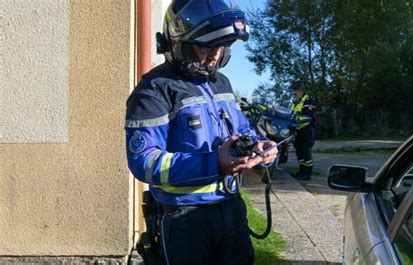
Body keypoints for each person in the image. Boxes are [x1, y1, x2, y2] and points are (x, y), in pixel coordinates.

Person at [125, 1, 278, 264]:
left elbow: (242, 130)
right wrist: (214, 162)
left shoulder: (222, 82)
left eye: (220, 47)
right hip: (184, 220)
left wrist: (258, 147)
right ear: (179, 43)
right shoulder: (154, 90)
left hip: (230, 209)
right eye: (206, 45)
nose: (214, 55)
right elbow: (144, 162)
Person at [289, 80, 317, 180]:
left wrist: (294, 120)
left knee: (305, 152)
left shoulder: (308, 100)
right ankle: (301, 172)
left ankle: (307, 173)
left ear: (300, 91)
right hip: (298, 131)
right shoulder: (295, 102)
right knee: (299, 152)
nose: (293, 95)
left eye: (295, 93)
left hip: (307, 131)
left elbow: (307, 116)